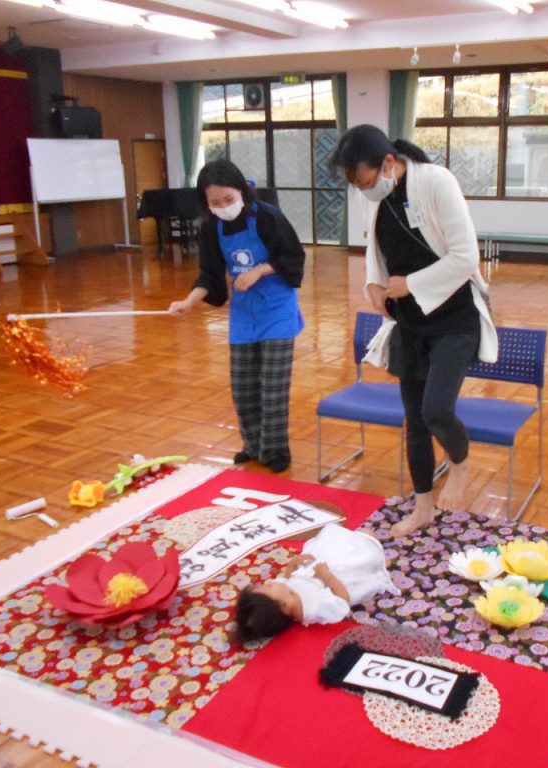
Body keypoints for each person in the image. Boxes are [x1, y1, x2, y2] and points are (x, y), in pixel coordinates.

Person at [329, 124, 498, 538]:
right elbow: (379, 252)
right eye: (354, 183)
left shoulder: (436, 182)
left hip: (455, 319)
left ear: (388, 162)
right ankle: (422, 508)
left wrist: (412, 284)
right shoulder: (381, 197)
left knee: (436, 410)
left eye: (363, 180)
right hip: (410, 321)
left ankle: (459, 462)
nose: (362, 189)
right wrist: (374, 283)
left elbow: (466, 257)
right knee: (416, 421)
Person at [169, 159, 305, 473]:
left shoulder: (268, 217)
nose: (223, 207)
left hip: (276, 310)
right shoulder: (210, 227)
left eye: (229, 199)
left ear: (242, 191)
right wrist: (189, 301)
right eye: (215, 203)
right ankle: (253, 445)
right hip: (244, 314)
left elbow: (293, 256)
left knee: (272, 387)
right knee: (242, 386)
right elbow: (210, 273)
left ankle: (276, 450)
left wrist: (259, 271)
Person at [232, 524, 400, 643]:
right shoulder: (313, 609)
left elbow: (286, 577)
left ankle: (367, 552)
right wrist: (327, 576)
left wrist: (293, 564)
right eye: (269, 586)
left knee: (338, 541)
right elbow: (343, 600)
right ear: (283, 604)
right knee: (366, 541)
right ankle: (377, 564)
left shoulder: (285, 593)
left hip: (323, 569)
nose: (270, 582)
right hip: (343, 581)